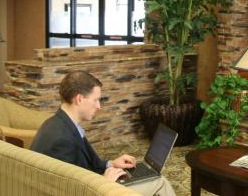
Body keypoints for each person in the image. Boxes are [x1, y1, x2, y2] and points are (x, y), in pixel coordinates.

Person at [31, 71, 175, 196]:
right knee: (159, 182)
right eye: (96, 100)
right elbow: (69, 190)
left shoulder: (59, 124)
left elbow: (82, 167)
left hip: (94, 184)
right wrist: (104, 183)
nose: (99, 106)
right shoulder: (61, 140)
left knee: (150, 180)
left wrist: (111, 164)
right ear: (79, 99)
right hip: (95, 190)